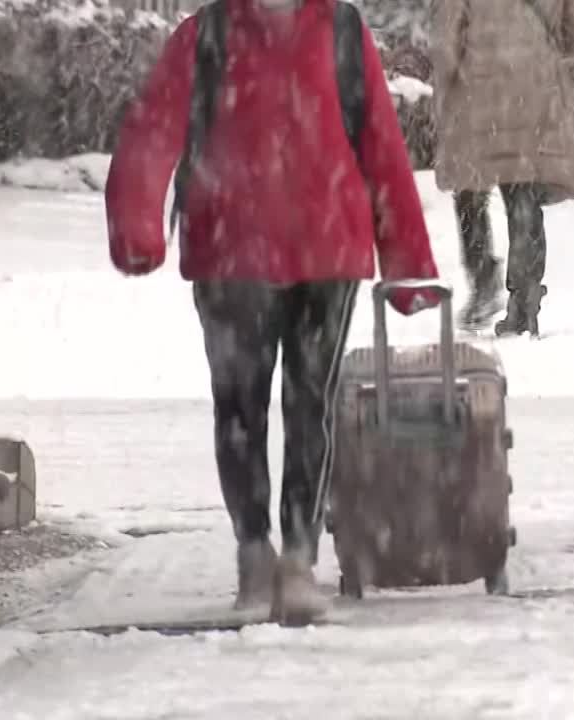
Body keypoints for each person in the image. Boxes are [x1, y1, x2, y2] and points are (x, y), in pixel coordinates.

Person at [104, 0, 441, 626]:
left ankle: (297, 559)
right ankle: (256, 552)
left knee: (309, 404)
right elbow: (152, 134)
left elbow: (380, 145)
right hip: (234, 257)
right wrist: (136, 227)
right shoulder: (205, 36)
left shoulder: (340, 30)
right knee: (241, 407)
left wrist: (409, 262)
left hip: (323, 255)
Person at [431, 0, 574, 336]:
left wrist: (443, 88)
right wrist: (547, 45)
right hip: (535, 83)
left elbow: (446, 38)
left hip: (475, 86)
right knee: (523, 191)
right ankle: (524, 301)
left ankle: (483, 280)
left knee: (470, 190)